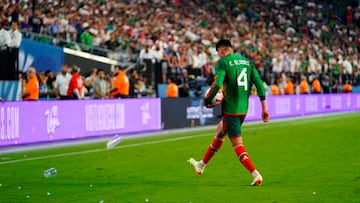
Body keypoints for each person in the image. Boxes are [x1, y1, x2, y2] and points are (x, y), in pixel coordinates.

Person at [188, 39, 269, 186]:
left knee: (237, 145)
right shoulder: (247, 62)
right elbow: (259, 84)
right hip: (243, 110)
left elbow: (218, 84)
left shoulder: (223, 62)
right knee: (220, 132)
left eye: (219, 53)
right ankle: (201, 165)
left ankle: (256, 174)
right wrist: (264, 107)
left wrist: (208, 100)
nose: (219, 56)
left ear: (223, 51)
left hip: (231, 110)